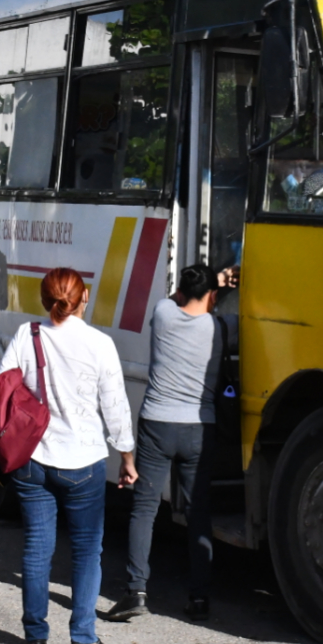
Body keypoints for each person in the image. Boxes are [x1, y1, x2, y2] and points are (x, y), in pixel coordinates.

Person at [0, 268, 135, 644]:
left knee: (38, 547)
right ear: (84, 297)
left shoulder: (27, 335)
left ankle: (35, 639)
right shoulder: (99, 343)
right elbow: (115, 405)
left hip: (32, 459)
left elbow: (1, 387)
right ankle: (83, 640)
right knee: (87, 552)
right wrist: (126, 456)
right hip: (83, 462)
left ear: (43, 300)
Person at [106, 263, 237, 624]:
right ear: (211, 297)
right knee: (198, 514)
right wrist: (223, 284)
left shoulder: (163, 314)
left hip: (157, 425)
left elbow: (181, 298)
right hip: (199, 427)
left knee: (144, 509)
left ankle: (136, 591)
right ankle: (198, 597)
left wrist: (211, 285)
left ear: (180, 292)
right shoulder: (222, 328)